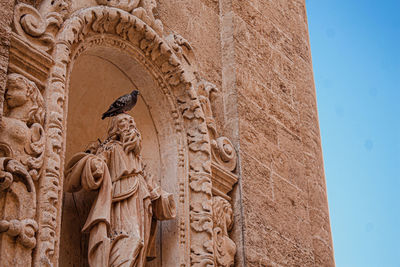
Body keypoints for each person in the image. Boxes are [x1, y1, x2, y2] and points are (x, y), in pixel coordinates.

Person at [64, 113, 176, 267]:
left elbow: (150, 183)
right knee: (129, 240)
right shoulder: (110, 148)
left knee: (139, 244)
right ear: (115, 129)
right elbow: (98, 163)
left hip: (141, 200)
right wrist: (94, 164)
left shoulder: (138, 159)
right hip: (120, 198)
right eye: (124, 121)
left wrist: (163, 198)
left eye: (132, 121)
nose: (130, 124)